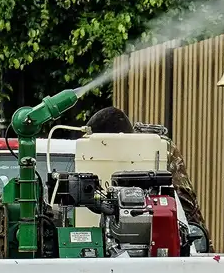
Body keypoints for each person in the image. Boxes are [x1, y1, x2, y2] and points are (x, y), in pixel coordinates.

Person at [86, 106, 210, 249]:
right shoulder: (90, 151)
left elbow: (184, 199)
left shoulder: (159, 147)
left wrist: (196, 242)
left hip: (164, 234)